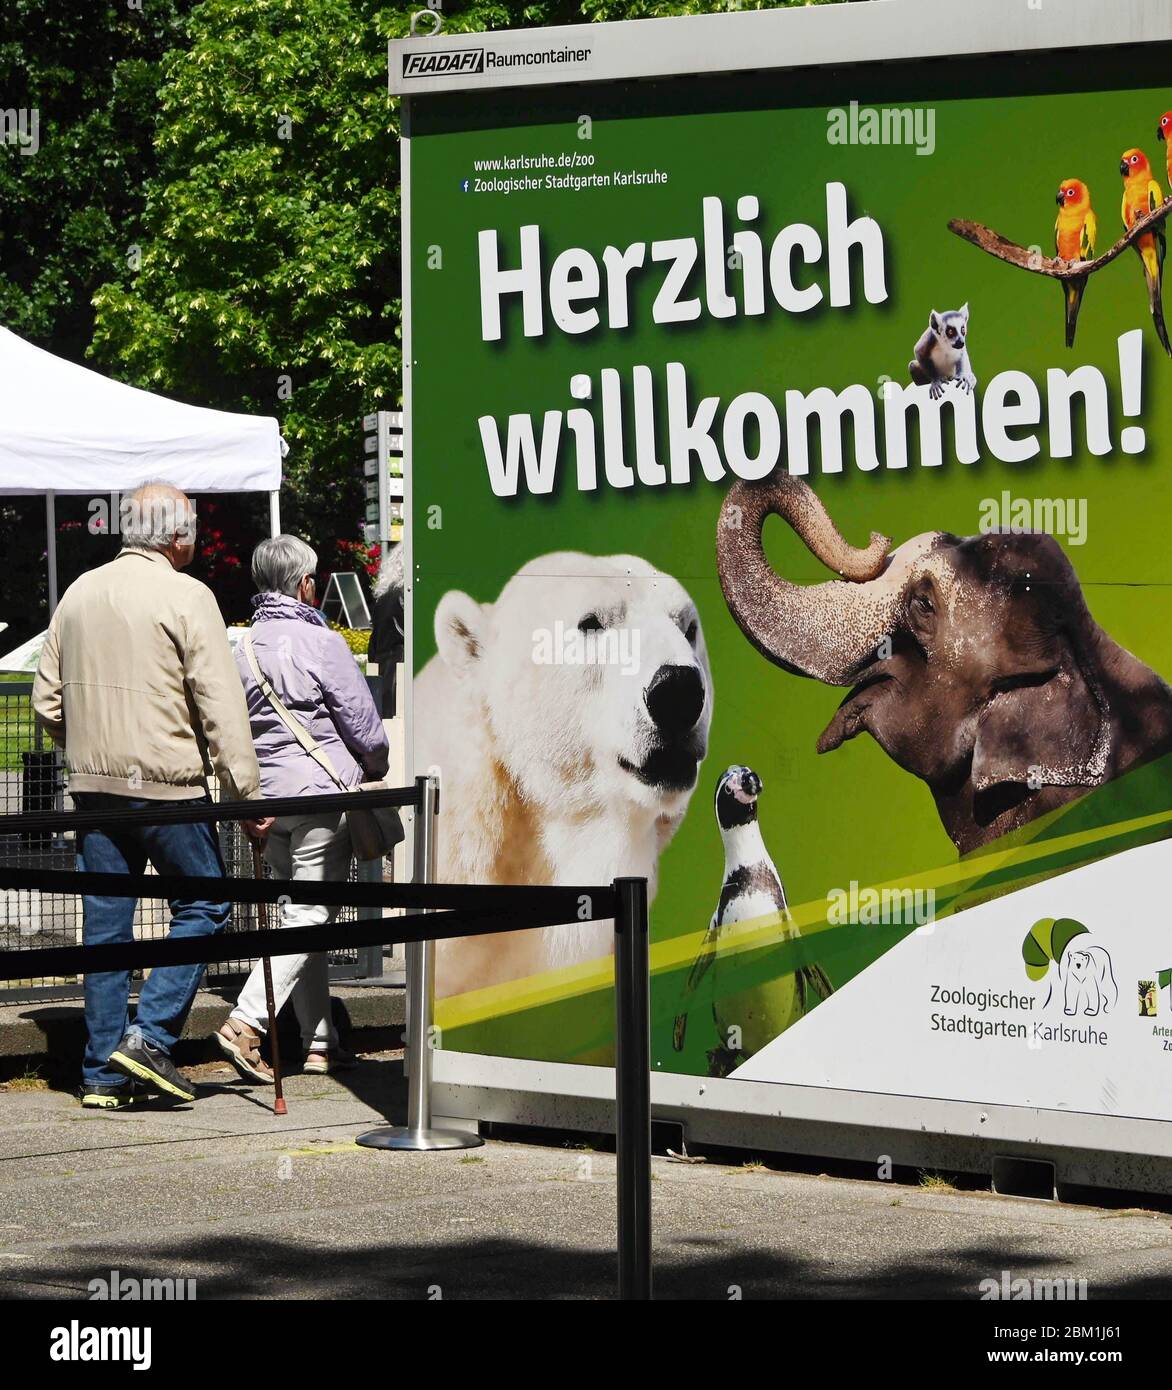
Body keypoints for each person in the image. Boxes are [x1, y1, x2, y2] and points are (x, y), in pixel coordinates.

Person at [32, 482, 270, 1109]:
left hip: (94, 789)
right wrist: (247, 795)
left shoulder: (79, 592)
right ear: (175, 535)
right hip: (168, 786)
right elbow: (222, 706)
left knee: (107, 930)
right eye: (190, 526)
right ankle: (150, 1036)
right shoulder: (190, 595)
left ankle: (102, 1075)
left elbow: (45, 701)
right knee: (207, 902)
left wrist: (85, 745)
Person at [216, 535, 389, 1082]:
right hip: (320, 795)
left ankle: (319, 1042)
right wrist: (375, 766)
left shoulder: (237, 647)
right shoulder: (322, 642)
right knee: (311, 915)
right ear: (305, 584)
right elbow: (364, 725)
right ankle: (245, 1023)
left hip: (266, 804)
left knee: (298, 914)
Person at [368, 542, 404, 719]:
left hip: (383, 678)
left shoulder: (383, 599)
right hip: (405, 678)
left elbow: (373, 647)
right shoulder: (409, 597)